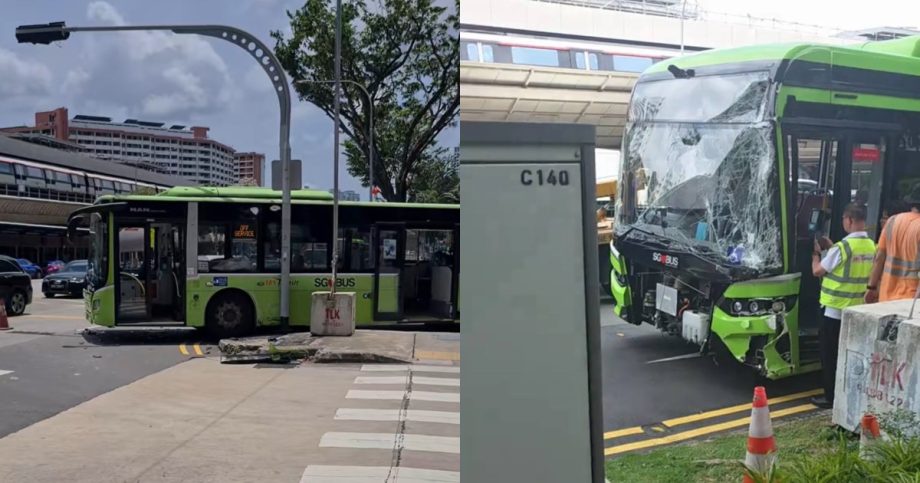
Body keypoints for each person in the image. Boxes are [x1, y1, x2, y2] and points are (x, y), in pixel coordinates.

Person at [810, 203, 876, 409]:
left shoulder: (843, 247)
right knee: (849, 355)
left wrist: (815, 255)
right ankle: (847, 393)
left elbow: (818, 271)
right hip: (857, 311)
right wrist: (831, 248)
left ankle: (830, 397)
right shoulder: (871, 246)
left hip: (834, 311)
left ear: (849, 220)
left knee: (829, 356)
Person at [865, 188, 920, 304]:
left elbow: (879, 258)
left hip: (886, 296)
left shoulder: (892, 221)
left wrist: (871, 287)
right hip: (910, 301)